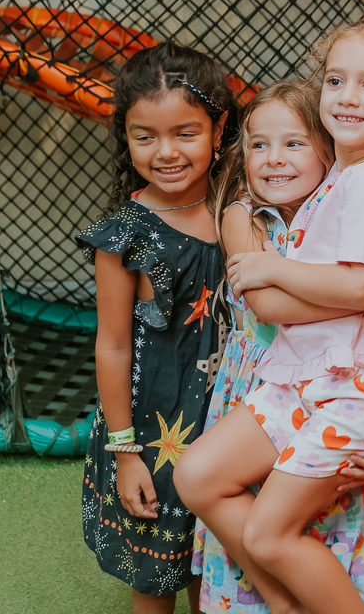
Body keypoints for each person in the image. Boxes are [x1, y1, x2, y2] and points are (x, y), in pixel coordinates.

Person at [175, 14, 364, 614]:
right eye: (336, 80)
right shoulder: (341, 180)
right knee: (197, 476)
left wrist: (273, 269)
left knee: (269, 532)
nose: (349, 96)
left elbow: (360, 286)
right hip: (305, 373)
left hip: (358, 382)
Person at [77, 40, 241, 614]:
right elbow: (114, 346)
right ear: (125, 137)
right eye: (145, 136)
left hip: (231, 424)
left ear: (219, 128)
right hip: (154, 435)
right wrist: (126, 454)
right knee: (156, 575)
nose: (166, 152)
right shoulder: (125, 235)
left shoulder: (244, 208)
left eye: (186, 133)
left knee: (220, 569)